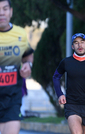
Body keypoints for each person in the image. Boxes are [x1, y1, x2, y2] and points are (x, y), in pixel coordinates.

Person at [53, 33, 85, 134]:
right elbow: (56, 77)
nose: (79, 45)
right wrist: (60, 94)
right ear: (72, 46)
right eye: (76, 43)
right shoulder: (66, 62)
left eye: (82, 42)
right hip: (72, 105)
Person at [0, 0, 34, 134]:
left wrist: (28, 65)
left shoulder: (20, 33)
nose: (1, 13)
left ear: (11, 11)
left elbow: (28, 55)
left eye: (5, 9)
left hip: (12, 98)